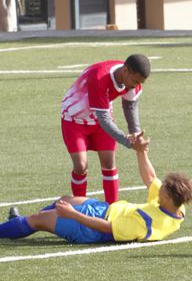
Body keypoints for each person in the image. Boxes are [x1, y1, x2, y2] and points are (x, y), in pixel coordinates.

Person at [0, 136, 192, 244]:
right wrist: (141, 151)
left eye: (162, 189)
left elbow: (109, 229)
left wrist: (74, 215)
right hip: (105, 210)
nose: (158, 188)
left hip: (94, 230)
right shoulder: (175, 206)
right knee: (62, 200)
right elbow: (150, 177)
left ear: (166, 197)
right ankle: (21, 225)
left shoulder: (147, 223)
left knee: (39, 219)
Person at [61, 54, 150, 203]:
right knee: (81, 166)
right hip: (74, 120)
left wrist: (136, 133)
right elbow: (104, 120)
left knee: (109, 163)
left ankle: (112, 211)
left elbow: (130, 105)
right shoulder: (99, 77)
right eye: (134, 81)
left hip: (100, 118)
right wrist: (128, 142)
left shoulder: (133, 79)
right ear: (125, 70)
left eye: (139, 82)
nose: (135, 85)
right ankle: (80, 208)